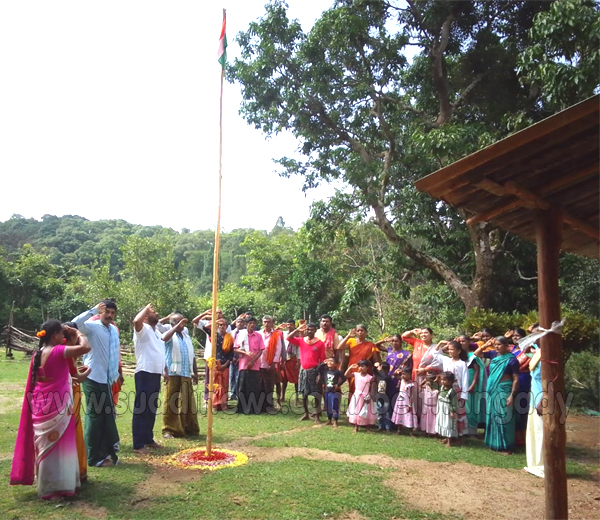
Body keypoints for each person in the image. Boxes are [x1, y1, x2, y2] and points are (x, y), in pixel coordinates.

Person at [11, 320, 90, 498]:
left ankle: (47, 486)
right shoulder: (59, 351)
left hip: (40, 406)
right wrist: (78, 334)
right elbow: (85, 348)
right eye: (62, 334)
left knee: (46, 448)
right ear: (54, 335)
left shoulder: (37, 354)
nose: (64, 337)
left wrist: (82, 375)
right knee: (63, 446)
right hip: (59, 406)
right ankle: (63, 485)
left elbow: (63, 376)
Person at [71, 300, 121, 467]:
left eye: (113, 313)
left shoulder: (113, 330)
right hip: (92, 377)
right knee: (94, 417)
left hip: (107, 379)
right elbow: (74, 324)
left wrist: (118, 373)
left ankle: (105, 454)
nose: (109, 315)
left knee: (107, 416)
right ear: (101, 312)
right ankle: (93, 457)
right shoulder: (92, 327)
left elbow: (114, 355)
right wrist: (92, 310)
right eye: (107, 312)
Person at [132, 304, 168, 454]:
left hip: (155, 373)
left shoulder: (156, 332)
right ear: (146, 316)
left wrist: (164, 370)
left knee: (151, 408)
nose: (157, 313)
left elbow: (160, 351)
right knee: (141, 409)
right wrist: (146, 307)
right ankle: (138, 444)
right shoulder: (142, 330)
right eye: (153, 312)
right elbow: (135, 321)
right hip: (144, 372)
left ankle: (148, 438)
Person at [475, 336, 519, 454]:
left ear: (507, 346)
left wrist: (512, 395)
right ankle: (494, 443)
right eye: (496, 344)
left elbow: (515, 379)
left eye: (499, 344)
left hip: (504, 390)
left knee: (505, 417)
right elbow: (476, 354)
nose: (497, 347)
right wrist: (485, 345)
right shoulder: (493, 354)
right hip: (492, 390)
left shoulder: (512, 360)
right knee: (492, 417)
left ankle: (507, 446)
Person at [162, 314, 200, 439]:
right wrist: (176, 327)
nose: (182, 324)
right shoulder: (170, 335)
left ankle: (187, 427)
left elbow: (192, 355)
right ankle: (169, 430)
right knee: (171, 401)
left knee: (186, 402)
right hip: (173, 373)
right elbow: (164, 339)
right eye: (178, 322)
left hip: (186, 373)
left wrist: (195, 372)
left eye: (182, 322)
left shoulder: (186, 337)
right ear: (172, 324)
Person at [63, 323, 92, 482]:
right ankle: (76, 471)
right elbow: (77, 378)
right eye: (75, 340)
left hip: (69, 396)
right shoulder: (65, 353)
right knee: (73, 431)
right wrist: (87, 371)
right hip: (69, 398)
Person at [286, 322, 326, 423]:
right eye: (307, 329)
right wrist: (298, 329)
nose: (309, 331)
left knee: (316, 393)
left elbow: (322, 360)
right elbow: (288, 338)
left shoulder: (320, 343)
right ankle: (306, 413)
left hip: (314, 370)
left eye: (311, 329)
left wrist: (320, 374)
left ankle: (317, 415)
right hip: (303, 370)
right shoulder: (301, 341)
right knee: (304, 393)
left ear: (315, 330)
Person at [192, 308, 232, 403]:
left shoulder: (227, 327)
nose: (218, 314)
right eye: (216, 312)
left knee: (222, 379)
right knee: (209, 378)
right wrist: (205, 314)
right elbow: (195, 321)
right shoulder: (208, 323)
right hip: (210, 355)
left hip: (222, 357)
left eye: (220, 313)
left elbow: (229, 342)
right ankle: (207, 398)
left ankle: (221, 399)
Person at [338, 325, 380, 400]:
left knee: (364, 390)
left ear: (366, 332)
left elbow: (376, 359)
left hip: (365, 371)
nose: (360, 332)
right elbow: (339, 347)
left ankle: (363, 408)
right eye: (358, 331)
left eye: (362, 330)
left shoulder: (370, 345)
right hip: (353, 369)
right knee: (352, 389)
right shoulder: (351, 341)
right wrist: (348, 336)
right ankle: (352, 409)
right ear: (356, 332)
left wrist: (377, 364)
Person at [437, 340, 469, 437]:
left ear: (458, 351)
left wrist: (464, 395)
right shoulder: (446, 360)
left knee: (458, 413)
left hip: (457, 391)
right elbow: (435, 354)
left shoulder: (462, 364)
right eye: (449, 349)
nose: (450, 351)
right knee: (447, 412)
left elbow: (465, 381)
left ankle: (459, 435)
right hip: (446, 390)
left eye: (452, 349)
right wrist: (441, 344)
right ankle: (449, 435)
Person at [235, 317, 265, 415]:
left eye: (254, 323)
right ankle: (242, 408)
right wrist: (245, 352)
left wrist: (253, 361)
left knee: (254, 387)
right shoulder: (241, 334)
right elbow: (235, 348)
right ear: (246, 324)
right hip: (243, 365)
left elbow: (260, 350)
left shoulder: (258, 336)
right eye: (250, 323)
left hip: (255, 365)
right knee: (243, 387)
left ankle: (253, 408)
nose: (252, 325)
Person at [258, 315, 285, 412]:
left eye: (268, 322)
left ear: (272, 323)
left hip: (270, 364)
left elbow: (278, 350)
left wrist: (274, 363)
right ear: (262, 323)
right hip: (259, 363)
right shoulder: (259, 333)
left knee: (269, 385)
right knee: (260, 385)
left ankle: (269, 406)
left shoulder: (276, 335)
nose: (266, 324)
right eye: (264, 322)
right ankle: (260, 406)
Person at [524, 347, 544, 477]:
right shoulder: (537, 353)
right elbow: (524, 349)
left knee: (542, 433)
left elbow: (552, 380)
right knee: (533, 432)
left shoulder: (549, 354)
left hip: (543, 400)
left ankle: (543, 466)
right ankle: (534, 464)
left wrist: (543, 400)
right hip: (533, 399)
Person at [209, 318, 235, 410]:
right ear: (217, 326)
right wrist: (215, 321)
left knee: (224, 385)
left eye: (223, 325)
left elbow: (231, 354)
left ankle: (224, 404)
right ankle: (216, 404)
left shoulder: (230, 338)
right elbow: (205, 328)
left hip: (226, 364)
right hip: (216, 364)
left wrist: (225, 365)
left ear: (226, 327)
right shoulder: (214, 336)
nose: (222, 326)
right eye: (220, 325)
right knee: (216, 384)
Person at [346, 360, 377, 433]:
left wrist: (371, 396)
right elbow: (346, 375)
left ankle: (367, 428)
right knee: (356, 410)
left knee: (367, 411)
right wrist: (350, 367)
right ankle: (356, 427)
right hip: (357, 396)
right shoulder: (356, 374)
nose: (361, 368)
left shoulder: (370, 377)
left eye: (363, 366)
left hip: (366, 396)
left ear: (367, 368)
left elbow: (372, 388)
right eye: (359, 366)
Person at [319, 357, 346, 427]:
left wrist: (338, 385)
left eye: (332, 361)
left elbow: (344, 378)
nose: (329, 362)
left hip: (335, 392)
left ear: (335, 364)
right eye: (328, 361)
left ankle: (335, 421)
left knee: (335, 405)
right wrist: (323, 363)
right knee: (328, 406)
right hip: (327, 391)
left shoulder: (337, 372)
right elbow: (318, 369)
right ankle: (329, 420)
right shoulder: (325, 371)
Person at [391, 366, 417, 434]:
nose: (403, 376)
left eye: (405, 374)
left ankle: (410, 431)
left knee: (408, 415)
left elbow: (412, 395)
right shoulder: (402, 380)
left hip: (407, 401)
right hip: (400, 400)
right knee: (400, 414)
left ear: (410, 375)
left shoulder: (411, 384)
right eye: (402, 374)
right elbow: (395, 375)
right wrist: (397, 371)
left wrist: (410, 405)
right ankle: (399, 430)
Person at [436, 371, 459, 447]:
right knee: (443, 423)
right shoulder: (441, 387)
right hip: (441, 409)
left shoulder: (452, 391)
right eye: (442, 379)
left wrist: (452, 411)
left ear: (450, 381)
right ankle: (446, 438)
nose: (442, 381)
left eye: (444, 380)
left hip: (447, 410)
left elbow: (454, 403)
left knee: (448, 424)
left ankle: (449, 441)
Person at [466, 348, 486, 436]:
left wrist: (473, 385)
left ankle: (472, 431)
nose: (462, 343)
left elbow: (477, 370)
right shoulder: (459, 354)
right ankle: (462, 430)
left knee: (471, 408)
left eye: (464, 341)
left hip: (470, 383)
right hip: (460, 384)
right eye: (460, 341)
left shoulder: (472, 357)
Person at [280, 319, 300, 405]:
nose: (289, 326)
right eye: (288, 324)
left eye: (291, 324)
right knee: (284, 379)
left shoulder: (298, 335)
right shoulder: (283, 334)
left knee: (296, 380)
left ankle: (297, 398)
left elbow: (299, 348)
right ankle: (282, 396)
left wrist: (298, 361)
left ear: (294, 325)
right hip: (285, 357)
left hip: (293, 357)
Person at [373, 362, 395, 433]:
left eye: (383, 369)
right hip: (380, 397)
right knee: (379, 412)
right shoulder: (379, 375)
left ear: (387, 370)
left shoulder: (388, 377)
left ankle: (388, 427)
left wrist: (380, 370)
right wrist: (375, 366)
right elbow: (373, 370)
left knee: (387, 413)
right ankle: (380, 426)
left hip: (387, 397)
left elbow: (384, 377)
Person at [229, 316, 246, 400]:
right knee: (231, 376)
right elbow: (229, 346)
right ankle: (232, 393)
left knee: (238, 376)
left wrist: (239, 357)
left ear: (244, 324)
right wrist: (231, 357)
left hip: (241, 358)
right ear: (235, 323)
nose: (240, 323)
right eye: (238, 322)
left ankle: (239, 393)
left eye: (242, 322)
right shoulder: (231, 333)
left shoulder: (245, 333)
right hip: (232, 358)